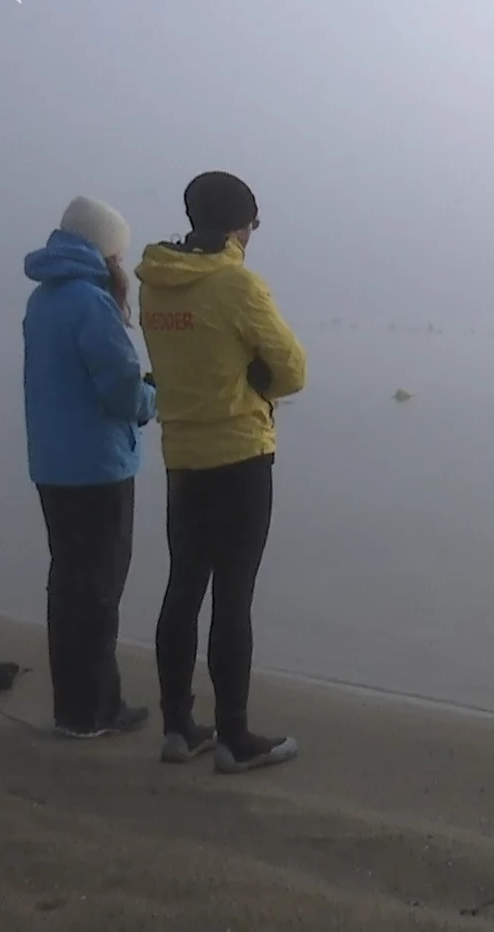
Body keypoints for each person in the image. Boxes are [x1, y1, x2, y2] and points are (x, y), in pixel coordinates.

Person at [137, 171, 306, 774]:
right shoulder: (237, 284)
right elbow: (291, 369)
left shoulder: (153, 285)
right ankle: (234, 738)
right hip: (239, 456)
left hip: (181, 456)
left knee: (183, 588)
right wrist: (258, 379)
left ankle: (178, 727)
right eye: (252, 225)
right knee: (233, 596)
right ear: (239, 225)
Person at [24, 197, 157, 739]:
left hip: (52, 464)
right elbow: (123, 387)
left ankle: (76, 706)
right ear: (104, 249)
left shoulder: (43, 299)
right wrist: (152, 398)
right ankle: (93, 712)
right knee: (99, 590)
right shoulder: (91, 304)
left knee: (69, 585)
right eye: (119, 250)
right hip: (98, 468)